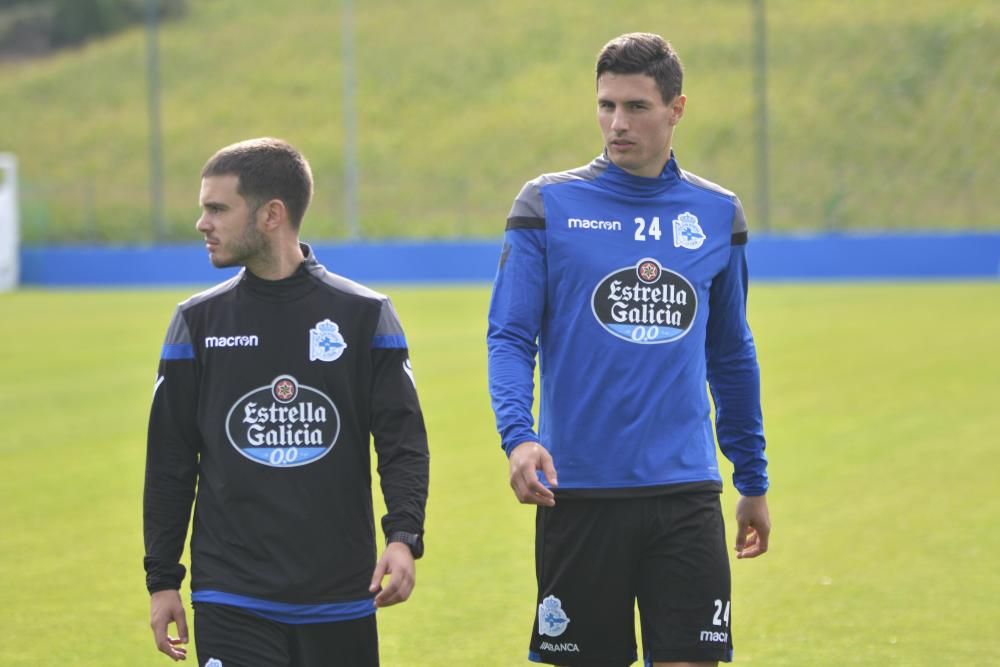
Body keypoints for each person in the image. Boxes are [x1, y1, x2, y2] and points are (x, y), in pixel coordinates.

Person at [487, 33, 771, 666]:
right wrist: (518, 435)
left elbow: (731, 353)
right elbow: (510, 335)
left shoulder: (717, 214)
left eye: (637, 107)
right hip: (580, 491)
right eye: (606, 105)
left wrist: (750, 477)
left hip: (685, 492)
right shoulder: (546, 205)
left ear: (676, 109)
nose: (617, 123)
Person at [143, 137, 429, 666]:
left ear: (272, 214)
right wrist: (162, 580)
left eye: (217, 208)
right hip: (231, 593)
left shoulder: (364, 315)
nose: (201, 223)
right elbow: (170, 463)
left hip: (341, 593)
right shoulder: (197, 324)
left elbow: (402, 441)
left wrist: (404, 535)